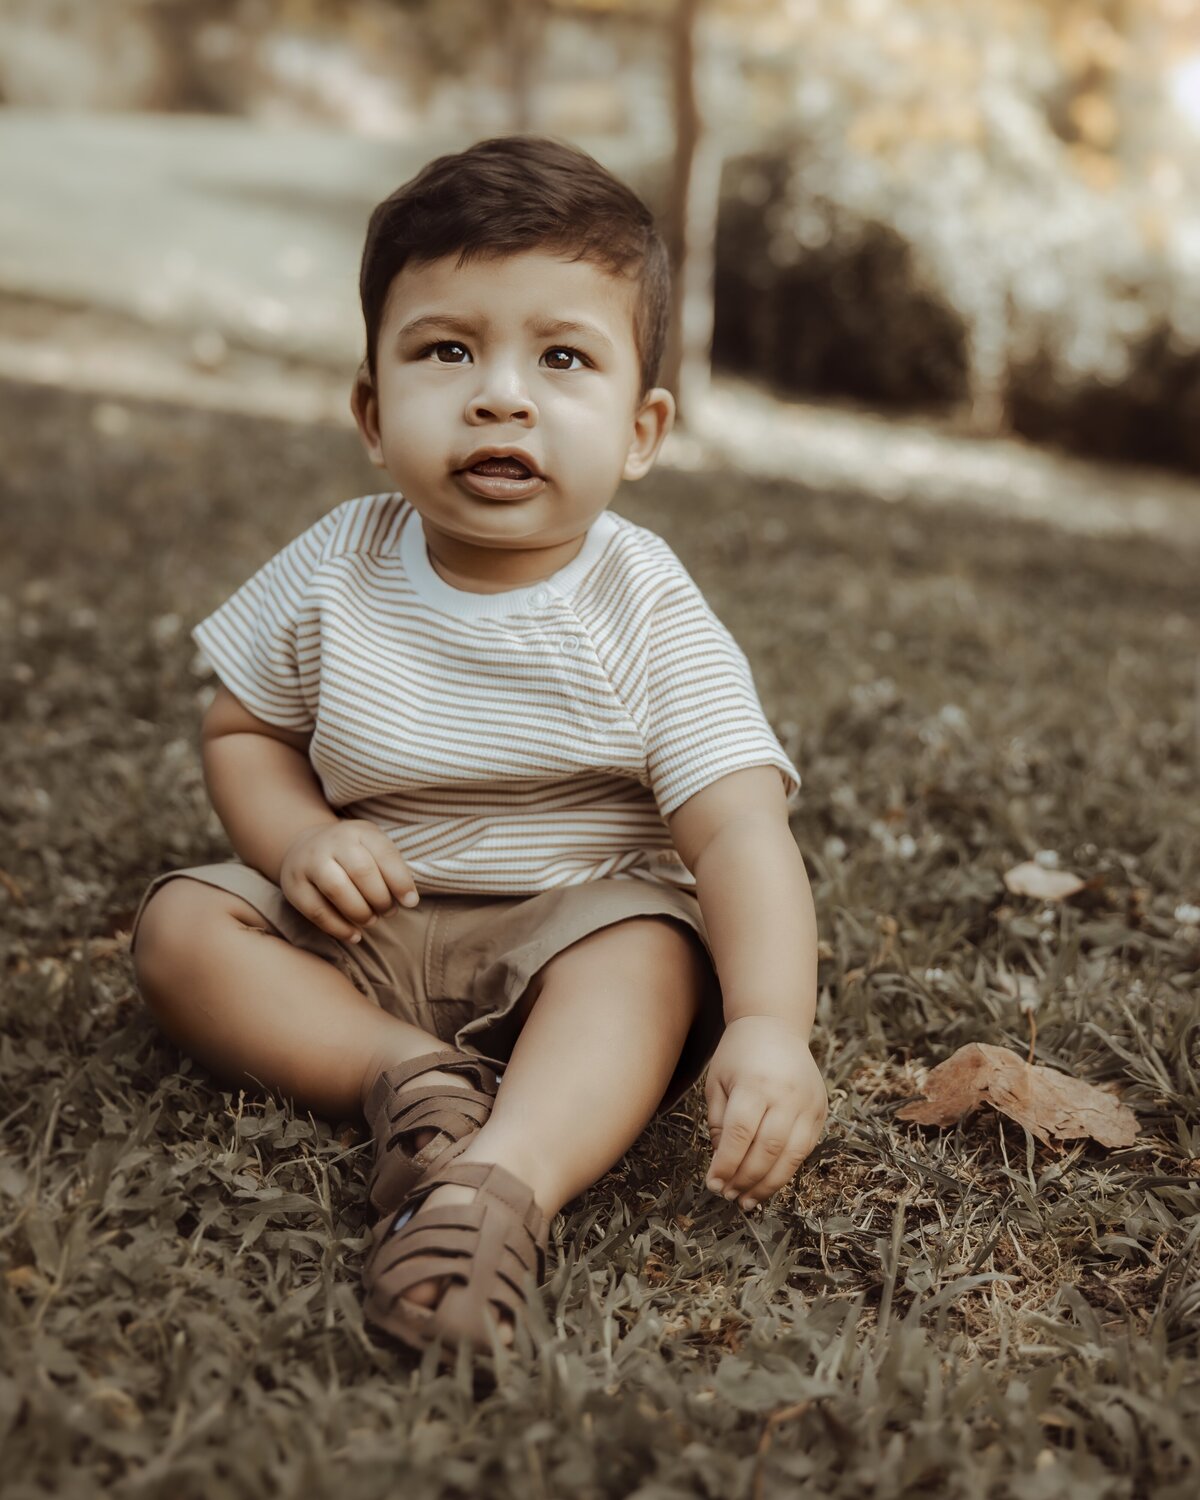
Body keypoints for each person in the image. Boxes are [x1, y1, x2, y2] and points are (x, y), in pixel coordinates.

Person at [130, 134, 827, 1367]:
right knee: (181, 928)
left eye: (563, 358)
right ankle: (404, 1078)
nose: (501, 394)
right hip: (370, 932)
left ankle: (496, 1185)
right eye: (447, 350)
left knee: (655, 955)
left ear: (641, 429)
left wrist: (770, 1023)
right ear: (370, 406)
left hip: (573, 935)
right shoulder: (337, 566)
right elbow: (244, 731)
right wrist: (301, 842)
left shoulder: (642, 603)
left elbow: (735, 829)